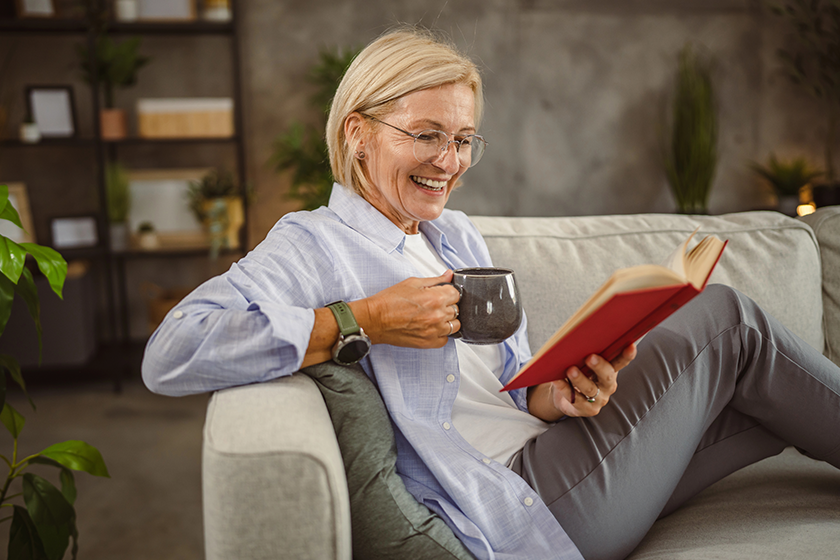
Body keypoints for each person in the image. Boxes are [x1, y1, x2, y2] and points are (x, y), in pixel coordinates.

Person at [142, 27, 840, 560]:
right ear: (357, 133)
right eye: (426, 135)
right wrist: (360, 320)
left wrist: (558, 395)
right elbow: (171, 353)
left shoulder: (456, 237)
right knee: (730, 324)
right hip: (522, 498)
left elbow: (509, 388)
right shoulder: (311, 245)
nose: (449, 163)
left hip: (555, 448)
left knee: (768, 399)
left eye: (465, 140)